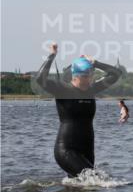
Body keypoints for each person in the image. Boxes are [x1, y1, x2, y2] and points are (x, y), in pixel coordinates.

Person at [34, 43, 122, 177]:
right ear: (75, 76)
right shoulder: (62, 90)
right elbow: (40, 78)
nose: (89, 79)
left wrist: (95, 63)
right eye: (85, 76)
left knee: (82, 187)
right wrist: (52, 55)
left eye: (90, 75)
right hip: (66, 150)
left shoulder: (92, 89)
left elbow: (116, 74)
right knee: (95, 179)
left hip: (87, 149)